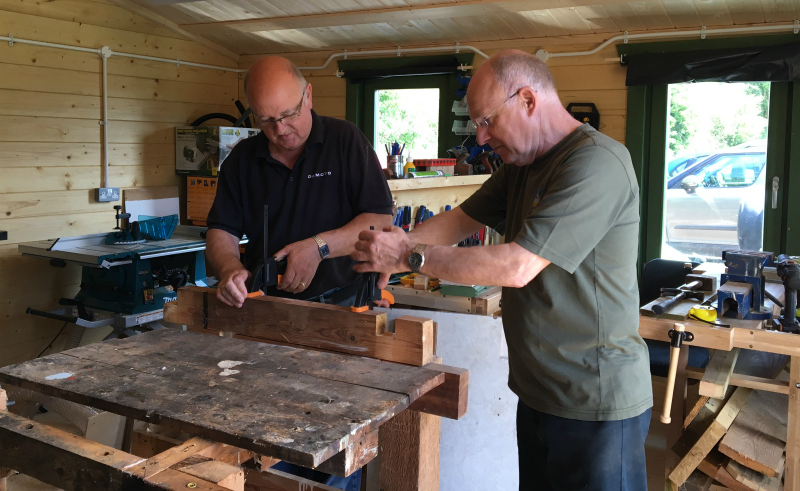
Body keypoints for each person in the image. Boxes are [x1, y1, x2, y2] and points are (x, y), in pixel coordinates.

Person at [351, 50, 652, 491]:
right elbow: (458, 220)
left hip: (597, 402)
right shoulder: (521, 165)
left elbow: (517, 265)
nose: (481, 137)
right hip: (539, 394)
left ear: (528, 100)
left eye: (487, 120)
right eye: (476, 124)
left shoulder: (596, 163)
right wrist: (397, 247)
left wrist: (408, 258)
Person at [205, 55, 393, 491]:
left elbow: (381, 222)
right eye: (266, 120)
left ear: (309, 95)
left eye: (288, 115)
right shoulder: (243, 160)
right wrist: (230, 267)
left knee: (336, 446)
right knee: (267, 438)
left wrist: (319, 248)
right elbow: (221, 230)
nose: (279, 129)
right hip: (267, 319)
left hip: (344, 316)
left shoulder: (346, 141)